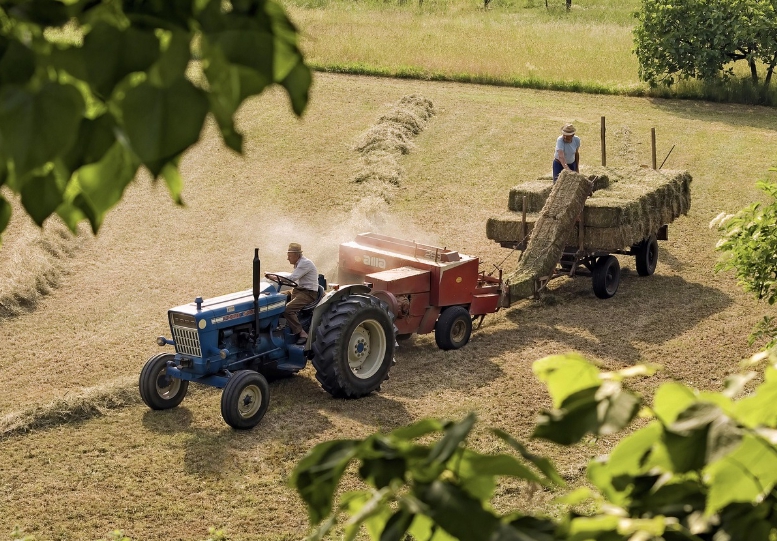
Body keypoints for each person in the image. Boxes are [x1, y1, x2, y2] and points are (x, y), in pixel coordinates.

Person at [277, 242, 319, 344]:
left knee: (287, 309)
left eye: (289, 256)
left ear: (297, 255)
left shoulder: (305, 263)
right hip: (298, 290)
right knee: (276, 298)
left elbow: (292, 278)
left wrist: (275, 277)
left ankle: (302, 333)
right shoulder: (298, 263)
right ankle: (279, 324)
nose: (288, 258)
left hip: (308, 293)